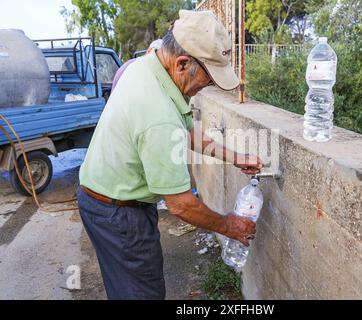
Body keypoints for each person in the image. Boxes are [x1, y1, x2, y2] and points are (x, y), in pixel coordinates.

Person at [77, 9, 262, 300]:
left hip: (104, 199)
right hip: (118, 213)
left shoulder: (147, 68)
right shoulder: (158, 112)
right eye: (209, 78)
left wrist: (235, 156)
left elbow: (187, 131)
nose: (207, 87)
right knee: (142, 292)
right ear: (183, 63)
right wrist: (230, 226)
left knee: (124, 287)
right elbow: (181, 205)